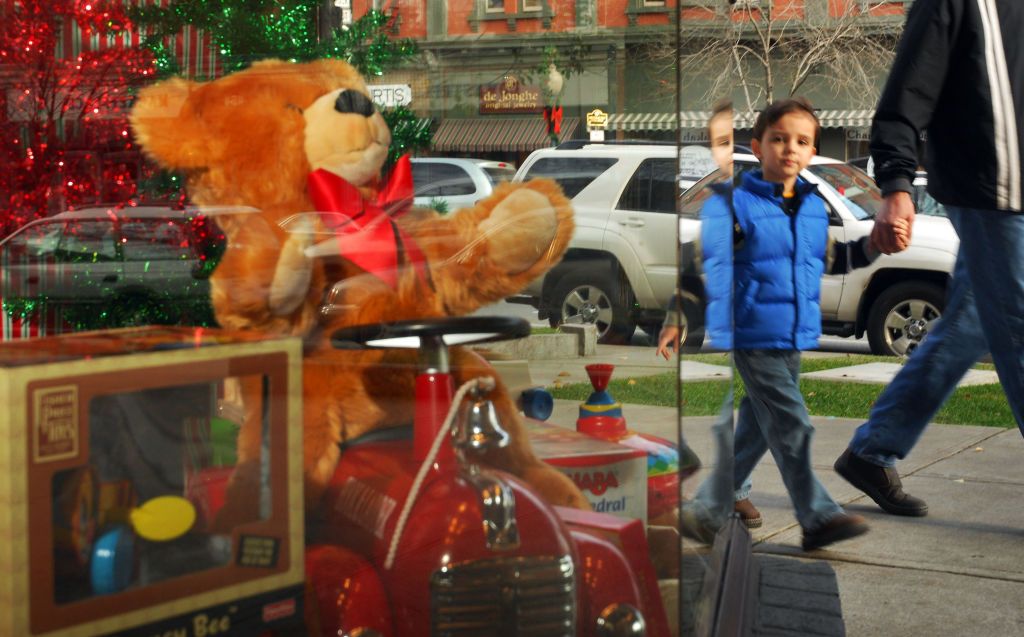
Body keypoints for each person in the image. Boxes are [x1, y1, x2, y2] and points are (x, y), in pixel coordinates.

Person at [679, 98, 908, 550]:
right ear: (757, 146)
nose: (789, 149)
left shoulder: (809, 206)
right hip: (753, 332)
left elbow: (830, 259)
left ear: (811, 152)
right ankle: (818, 517)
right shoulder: (738, 205)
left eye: (801, 141)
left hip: (794, 334)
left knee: (762, 426)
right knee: (791, 423)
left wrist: (875, 245)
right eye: (779, 139)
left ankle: (706, 512)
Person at [834, 0, 1024, 517]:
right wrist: (896, 184)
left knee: (969, 325)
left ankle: (872, 450)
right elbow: (907, 94)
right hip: (992, 193)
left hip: (1012, 194)